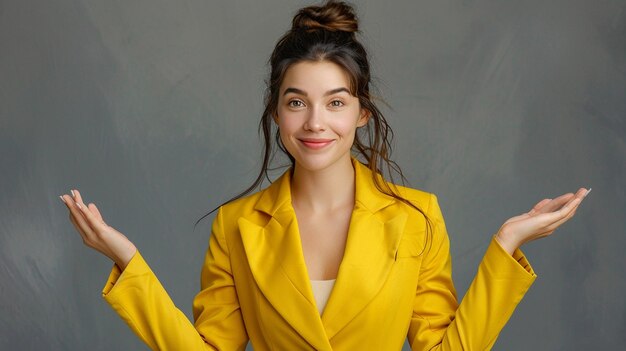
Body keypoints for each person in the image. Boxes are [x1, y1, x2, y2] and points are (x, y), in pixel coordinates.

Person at [59, 1, 590, 350]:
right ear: (276, 113)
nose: (315, 122)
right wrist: (128, 263)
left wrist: (506, 244)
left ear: (361, 113)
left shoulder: (416, 216)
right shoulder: (238, 224)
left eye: (335, 102)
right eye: (297, 102)